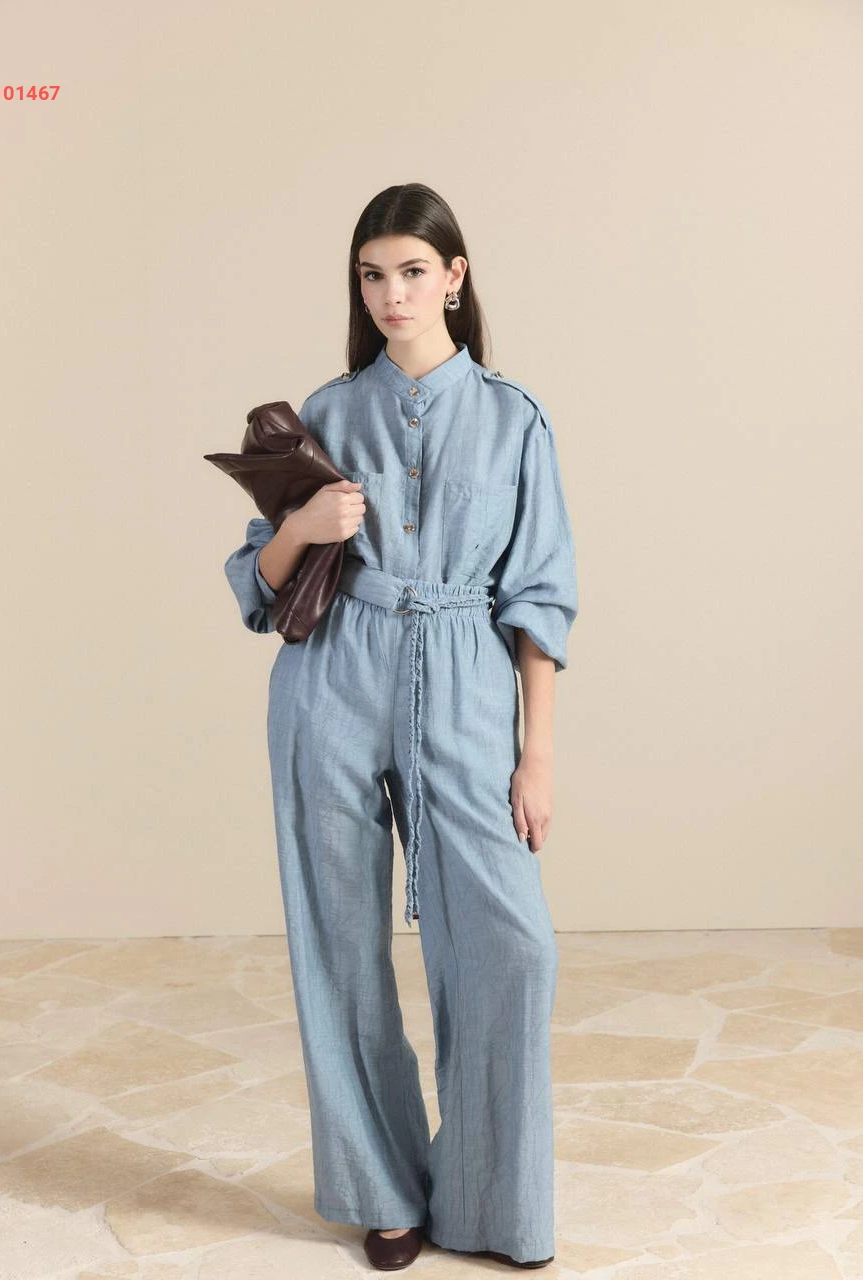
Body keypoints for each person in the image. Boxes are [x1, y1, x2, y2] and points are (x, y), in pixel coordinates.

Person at [223, 182, 578, 1270]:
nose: (392, 294)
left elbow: (539, 595)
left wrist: (536, 751)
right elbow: (255, 586)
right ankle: (382, 1191)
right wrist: (301, 524)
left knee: (512, 948)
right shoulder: (327, 410)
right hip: (331, 677)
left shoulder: (514, 418)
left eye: (413, 271)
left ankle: (489, 1203)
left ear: (454, 277)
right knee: (338, 943)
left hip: (464, 671)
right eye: (373, 275)